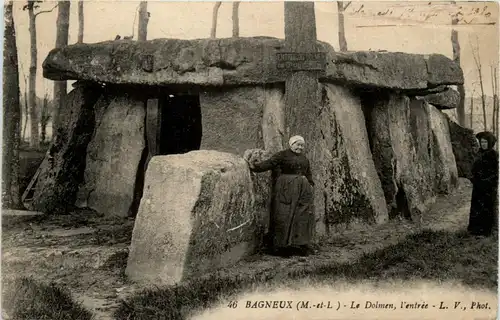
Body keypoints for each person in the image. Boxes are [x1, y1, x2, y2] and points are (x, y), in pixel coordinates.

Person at [246, 135, 315, 257]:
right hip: (286, 188)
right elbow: (270, 163)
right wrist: (255, 166)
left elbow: (308, 173)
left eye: (302, 145)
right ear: (291, 144)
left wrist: (310, 184)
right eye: (297, 144)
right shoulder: (282, 155)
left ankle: (297, 245)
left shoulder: (304, 159)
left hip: (302, 190)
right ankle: (281, 247)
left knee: (301, 215)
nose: (300, 147)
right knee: (284, 215)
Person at [467, 131, 499, 237]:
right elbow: (474, 167)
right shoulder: (479, 153)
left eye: (485, 142)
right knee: (477, 207)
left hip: (488, 187)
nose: (483, 144)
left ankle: (486, 231)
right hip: (478, 186)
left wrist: (486, 182)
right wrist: (473, 177)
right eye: (481, 142)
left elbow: (496, 173)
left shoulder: (494, 155)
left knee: (486, 208)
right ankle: (475, 230)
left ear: (490, 143)